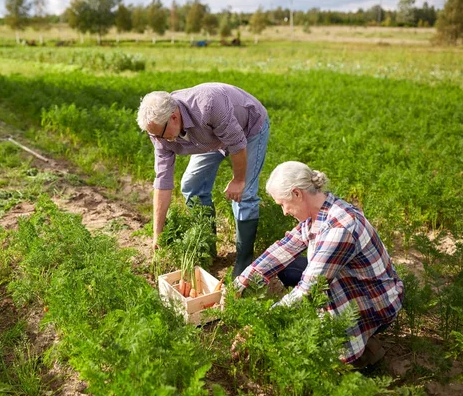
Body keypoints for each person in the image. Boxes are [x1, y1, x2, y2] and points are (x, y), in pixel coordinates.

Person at [233, 161, 404, 368]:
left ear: (297, 194)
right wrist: (242, 281)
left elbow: (307, 289)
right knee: (288, 269)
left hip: (375, 302)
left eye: (282, 204)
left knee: (313, 352)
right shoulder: (321, 211)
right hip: (351, 282)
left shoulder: (339, 229)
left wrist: (262, 325)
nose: (284, 212)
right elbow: (285, 247)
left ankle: (364, 350)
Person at [136, 83, 270, 277]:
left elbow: (237, 143)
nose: (157, 139)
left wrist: (238, 180)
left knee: (244, 195)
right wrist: (158, 232)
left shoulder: (209, 105)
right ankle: (208, 247)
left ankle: (244, 261)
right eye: (153, 135)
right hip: (210, 137)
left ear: (174, 117)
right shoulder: (159, 131)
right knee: (191, 185)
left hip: (248, 129)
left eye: (160, 134)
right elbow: (163, 180)